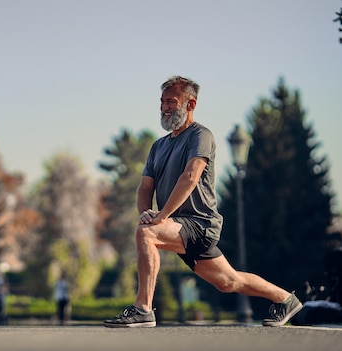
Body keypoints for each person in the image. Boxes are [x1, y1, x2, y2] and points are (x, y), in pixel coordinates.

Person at [103, 76, 303, 328]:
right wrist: (145, 212)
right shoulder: (158, 146)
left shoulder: (200, 135)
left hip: (199, 224)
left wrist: (160, 216)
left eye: (171, 101)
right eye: (162, 101)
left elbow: (190, 176)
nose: (164, 107)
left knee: (146, 234)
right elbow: (144, 187)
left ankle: (143, 309)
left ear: (190, 104)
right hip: (177, 224)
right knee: (228, 281)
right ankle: (285, 299)